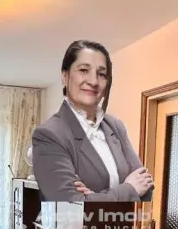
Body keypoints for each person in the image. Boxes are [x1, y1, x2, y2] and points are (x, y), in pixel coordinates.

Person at [31, 40, 154, 202]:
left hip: (124, 220)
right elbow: (71, 206)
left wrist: (92, 198)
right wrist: (129, 189)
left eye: (101, 74)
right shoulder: (49, 135)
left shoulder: (115, 126)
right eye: (84, 70)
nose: (94, 81)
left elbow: (146, 187)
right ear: (65, 76)